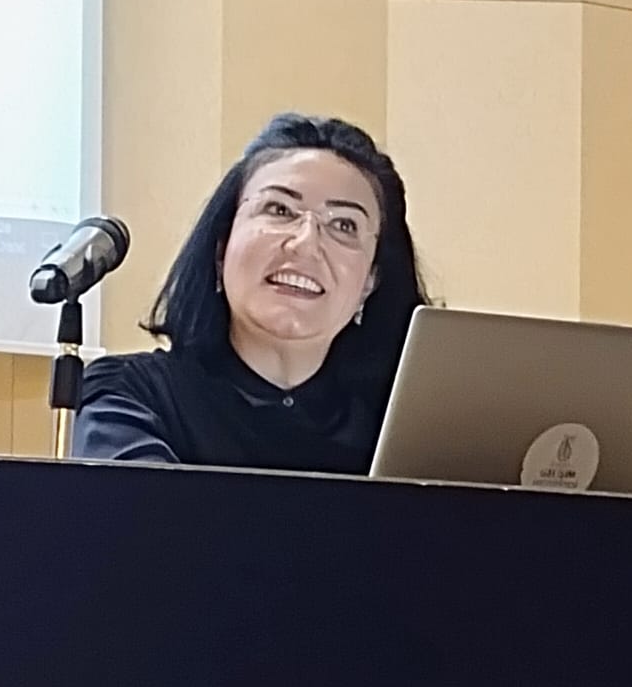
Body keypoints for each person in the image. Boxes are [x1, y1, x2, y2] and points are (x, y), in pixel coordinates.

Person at [71, 112, 430, 474]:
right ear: (221, 248)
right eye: (280, 209)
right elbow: (141, 508)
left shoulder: (409, 432)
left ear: (371, 281)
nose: (306, 244)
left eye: (344, 225)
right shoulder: (132, 394)